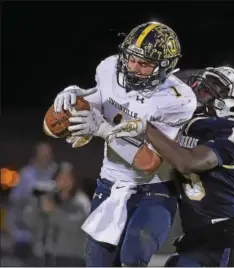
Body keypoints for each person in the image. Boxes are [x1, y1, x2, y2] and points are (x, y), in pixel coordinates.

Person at [53, 21, 197, 266]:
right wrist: (79, 96)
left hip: (155, 190)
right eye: (131, 59)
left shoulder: (176, 99)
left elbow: (149, 162)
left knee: (132, 258)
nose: (134, 67)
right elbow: (104, 99)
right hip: (110, 185)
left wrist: (102, 128)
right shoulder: (109, 67)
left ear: (165, 67)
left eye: (145, 64)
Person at [106, 66, 234, 266]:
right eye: (206, 82)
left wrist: (146, 128)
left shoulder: (230, 131)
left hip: (232, 238)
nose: (202, 88)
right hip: (196, 241)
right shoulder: (179, 125)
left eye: (216, 87)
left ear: (232, 106)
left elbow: (188, 163)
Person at [23, 162, 90, 267]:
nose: (63, 181)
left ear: (75, 180)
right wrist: (36, 204)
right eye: (60, 177)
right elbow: (29, 221)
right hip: (44, 256)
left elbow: (75, 225)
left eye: (68, 177)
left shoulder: (81, 201)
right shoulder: (49, 197)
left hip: (71, 257)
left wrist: (54, 212)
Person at [6, 142, 57, 263]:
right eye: (42, 154)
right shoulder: (26, 173)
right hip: (25, 233)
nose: (45, 157)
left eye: (48, 154)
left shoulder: (56, 172)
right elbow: (15, 200)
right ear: (36, 156)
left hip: (48, 234)